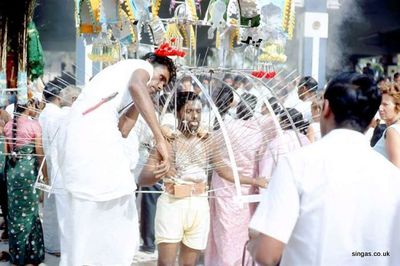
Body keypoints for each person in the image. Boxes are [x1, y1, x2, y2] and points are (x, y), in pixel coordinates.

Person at [248, 72, 400, 266]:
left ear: (326, 109)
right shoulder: (393, 177)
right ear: (373, 120)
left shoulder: (297, 164)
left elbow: (267, 254)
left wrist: (252, 244)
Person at [57, 53, 176, 265]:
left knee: (106, 213)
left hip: (85, 143)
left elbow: (123, 129)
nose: (160, 86)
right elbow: (137, 87)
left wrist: (141, 104)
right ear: (151, 66)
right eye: (161, 78)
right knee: (117, 212)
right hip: (90, 141)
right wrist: (159, 138)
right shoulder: (141, 67)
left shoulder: (125, 80)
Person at [140, 92, 266, 266]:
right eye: (189, 111)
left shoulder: (207, 140)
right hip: (172, 205)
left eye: (198, 111)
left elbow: (224, 172)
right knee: (166, 263)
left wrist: (255, 181)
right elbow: (142, 179)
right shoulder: (167, 141)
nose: (194, 116)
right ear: (178, 113)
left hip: (199, 207)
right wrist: (159, 172)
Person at [205, 93, 272, 266]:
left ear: (239, 107)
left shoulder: (226, 128)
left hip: (224, 188)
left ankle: (221, 261)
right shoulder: (259, 133)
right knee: (243, 231)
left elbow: (215, 156)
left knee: (223, 229)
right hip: (248, 186)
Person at [4, 98, 46, 265]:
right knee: (30, 212)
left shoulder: (8, 126)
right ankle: (32, 253)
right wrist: (46, 174)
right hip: (28, 174)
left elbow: (8, 153)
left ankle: (17, 254)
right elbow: (39, 154)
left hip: (13, 173)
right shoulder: (34, 125)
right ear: (28, 106)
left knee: (15, 213)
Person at [38, 83, 63, 256]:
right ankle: (54, 245)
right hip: (58, 165)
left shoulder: (43, 114)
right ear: (58, 96)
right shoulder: (57, 114)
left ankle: (49, 242)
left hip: (48, 163)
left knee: (49, 207)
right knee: (57, 208)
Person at [373, 84, 400, 168]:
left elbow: (396, 169)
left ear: (398, 106)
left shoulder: (392, 131)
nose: (380, 108)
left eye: (385, 104)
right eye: (380, 104)